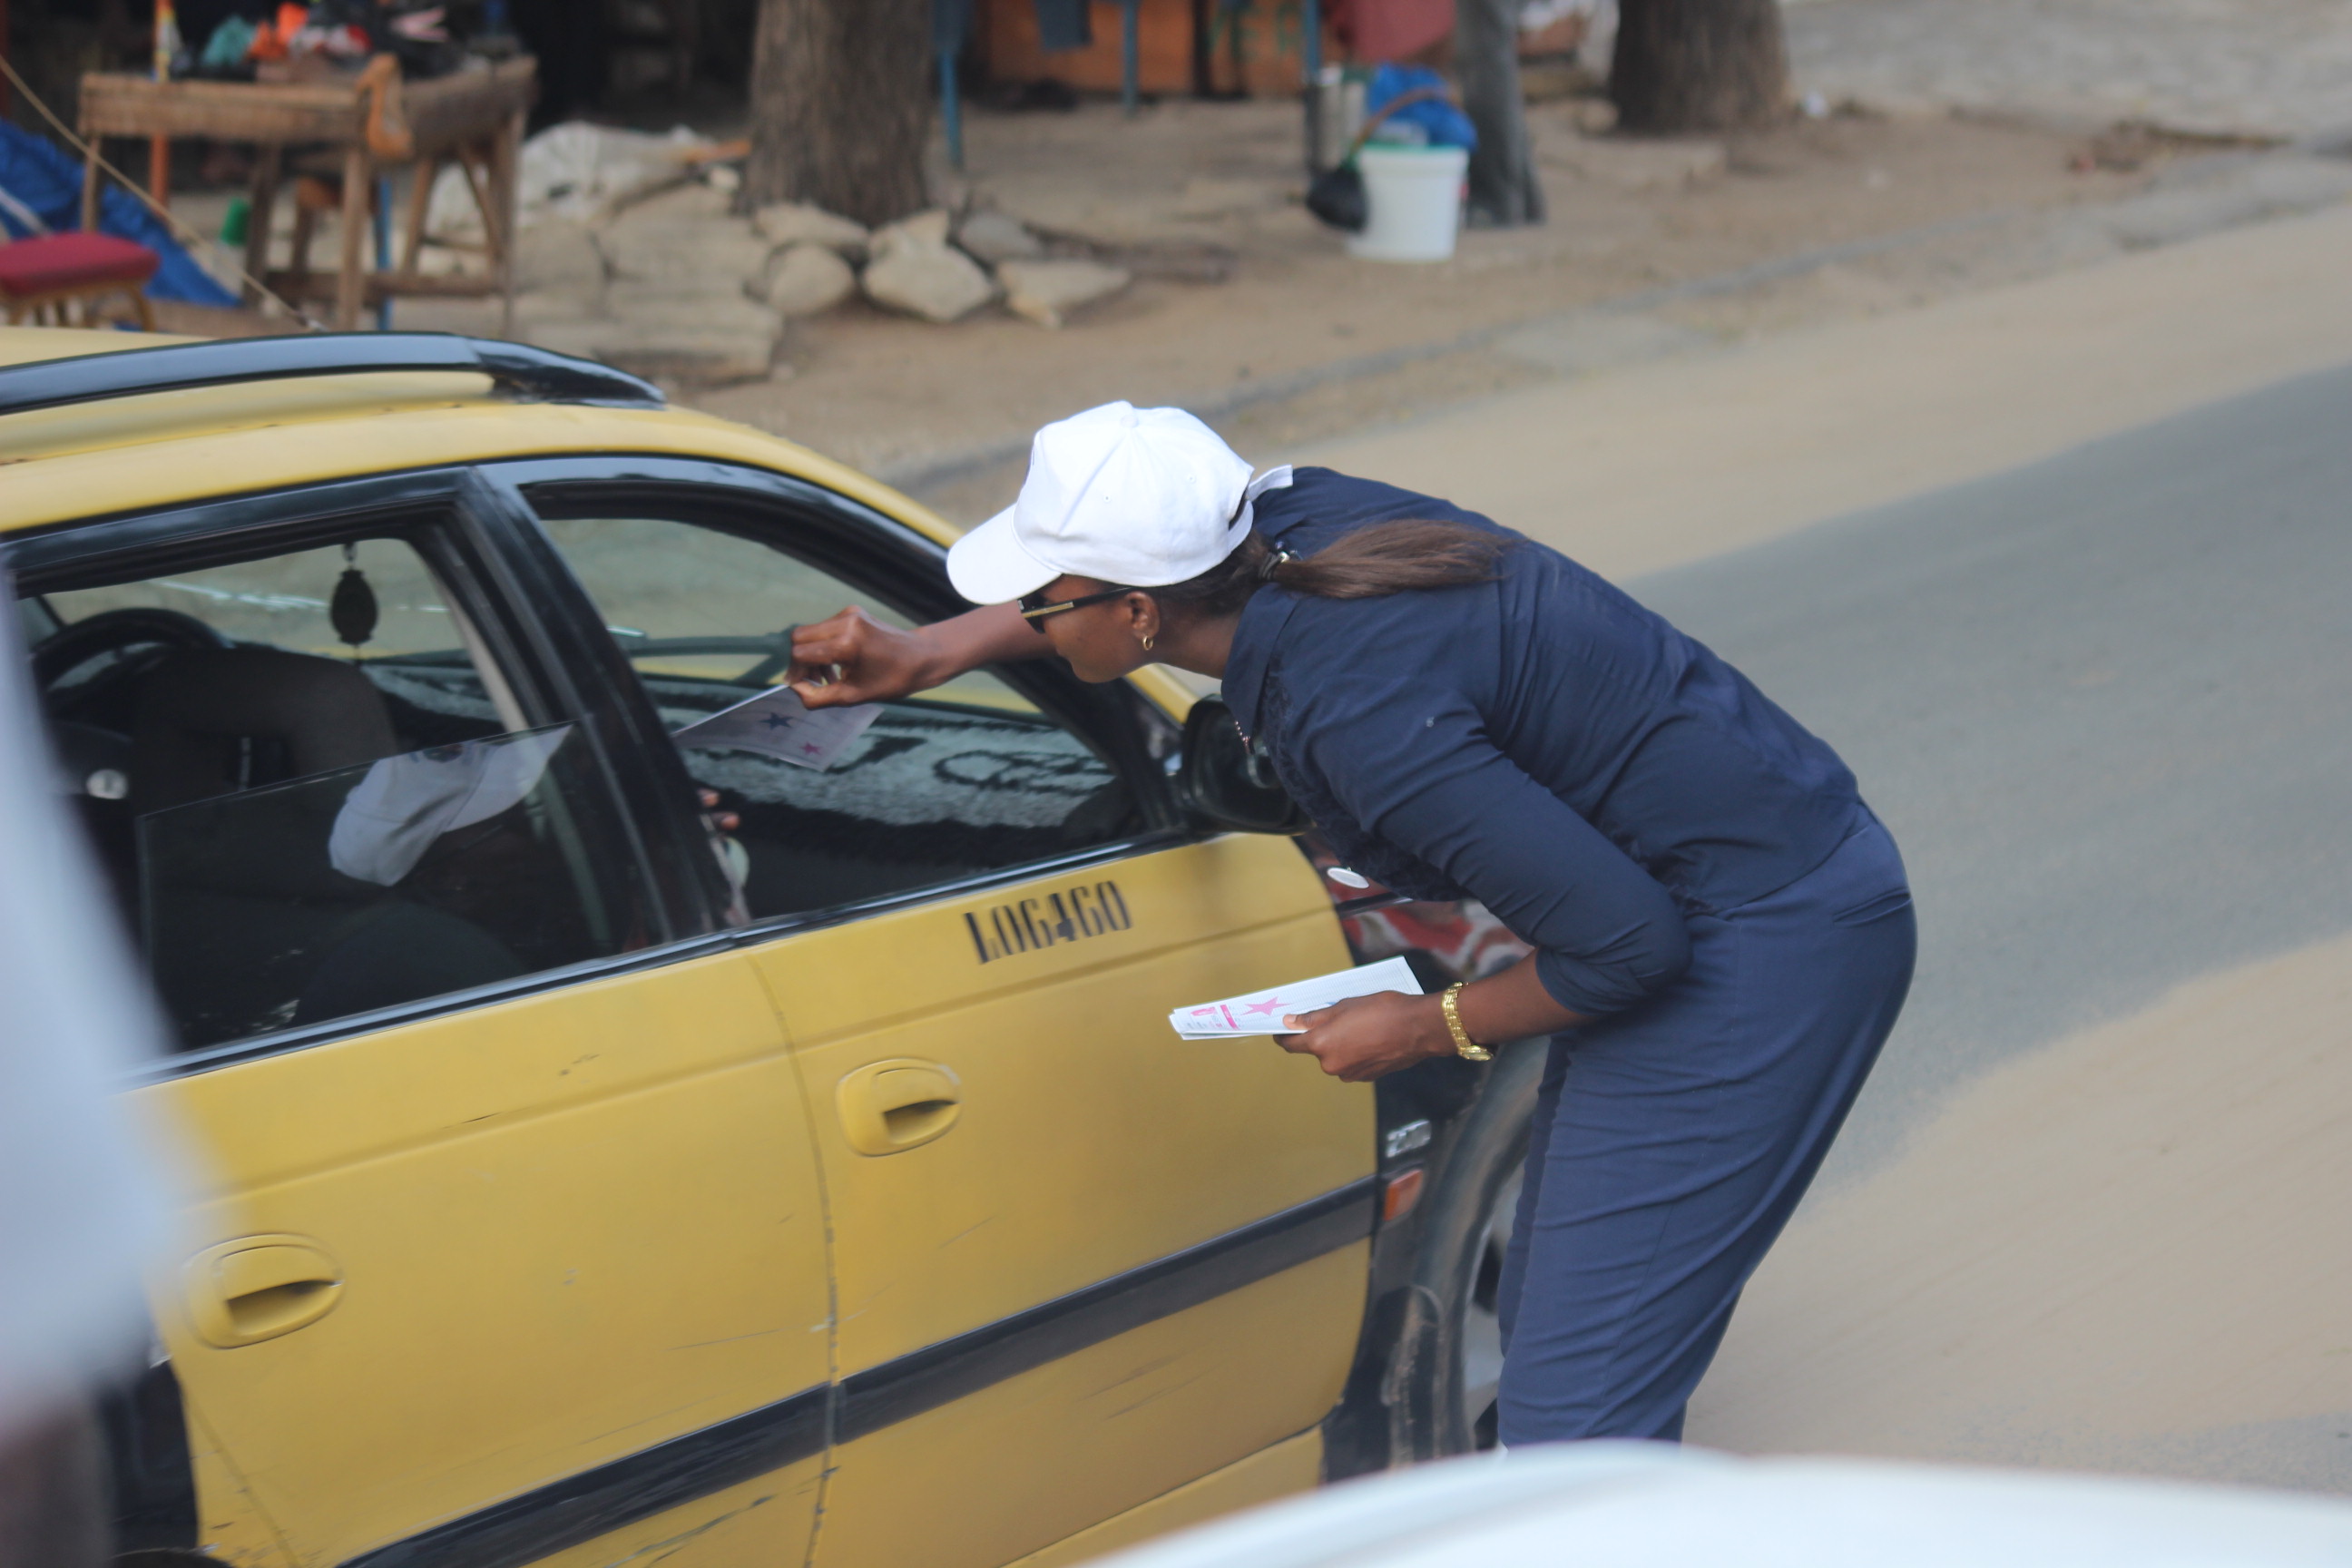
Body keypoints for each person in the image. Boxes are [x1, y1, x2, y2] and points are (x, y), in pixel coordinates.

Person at [787, 401, 1916, 1444]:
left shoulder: (1359, 719)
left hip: (1767, 941)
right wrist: (932, 651)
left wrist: (1428, 1024)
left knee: (1575, 1423)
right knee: (1557, 1350)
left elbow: (1631, 951)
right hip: (1717, 877)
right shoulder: (1289, 521)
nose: (1029, 609)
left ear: (1138, 617)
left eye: (1044, 592)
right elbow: (1108, 603)